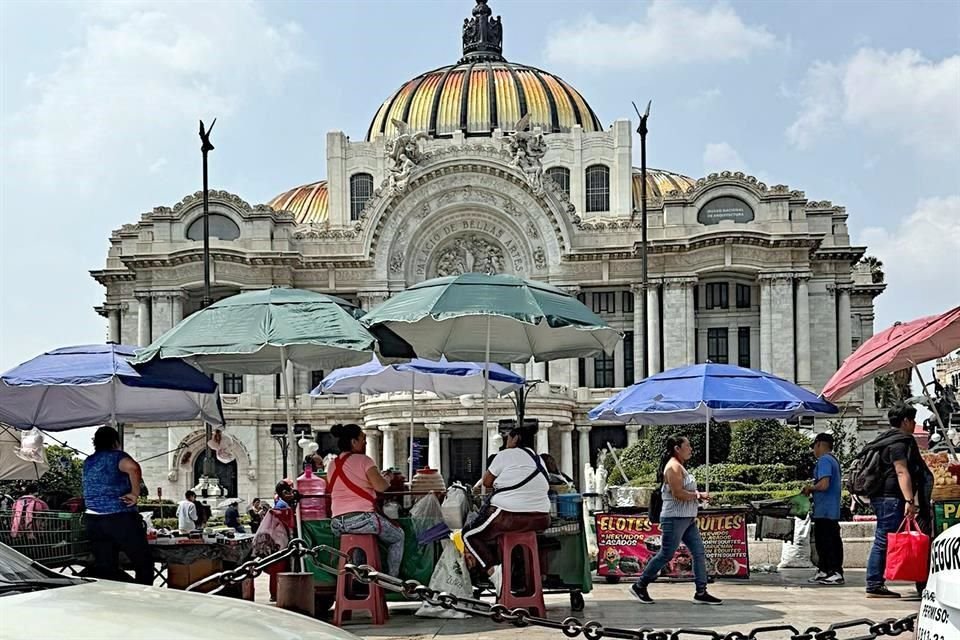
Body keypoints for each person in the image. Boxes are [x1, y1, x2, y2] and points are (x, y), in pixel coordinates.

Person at [631, 435, 722, 605]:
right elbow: (678, 494)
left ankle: (701, 591)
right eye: (687, 446)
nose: (691, 449)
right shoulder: (672, 467)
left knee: (698, 552)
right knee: (666, 554)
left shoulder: (680, 466)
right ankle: (640, 585)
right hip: (674, 518)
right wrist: (698, 495)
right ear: (677, 449)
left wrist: (697, 497)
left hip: (687, 518)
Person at [462, 425, 551, 595]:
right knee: (504, 538)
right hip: (541, 518)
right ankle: (518, 578)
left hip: (509, 515)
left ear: (516, 438)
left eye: (508, 437)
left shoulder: (505, 455)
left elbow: (487, 482)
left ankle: (494, 572)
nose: (506, 441)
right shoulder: (539, 459)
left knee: (469, 534)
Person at [864, 404, 927, 598]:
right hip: (891, 497)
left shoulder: (884, 439)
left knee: (883, 537)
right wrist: (910, 500)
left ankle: (875, 582)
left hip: (882, 496)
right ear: (906, 421)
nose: (914, 424)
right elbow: (901, 471)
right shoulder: (899, 442)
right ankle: (874, 583)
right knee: (884, 539)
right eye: (913, 420)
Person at [325, 423, 405, 576]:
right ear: (353, 442)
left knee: (357, 543)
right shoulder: (364, 460)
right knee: (398, 536)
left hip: (336, 523)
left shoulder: (331, 465)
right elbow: (381, 487)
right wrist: (387, 477)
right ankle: (392, 579)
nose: (365, 442)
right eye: (362, 438)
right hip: (363, 520)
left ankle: (357, 579)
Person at [81, 426, 153, 585]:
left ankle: (114, 599)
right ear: (115, 441)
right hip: (119, 516)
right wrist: (135, 493)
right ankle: (144, 597)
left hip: (93, 519)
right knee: (143, 562)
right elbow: (133, 467)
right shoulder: (117, 457)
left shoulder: (89, 461)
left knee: (106, 566)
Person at [803, 433, 844, 585]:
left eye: (814, 446)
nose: (814, 450)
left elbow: (824, 484)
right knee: (823, 541)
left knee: (828, 542)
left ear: (819, 444)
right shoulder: (833, 460)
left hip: (826, 510)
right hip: (828, 509)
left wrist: (810, 488)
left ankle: (835, 572)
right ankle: (824, 570)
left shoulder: (824, 460)